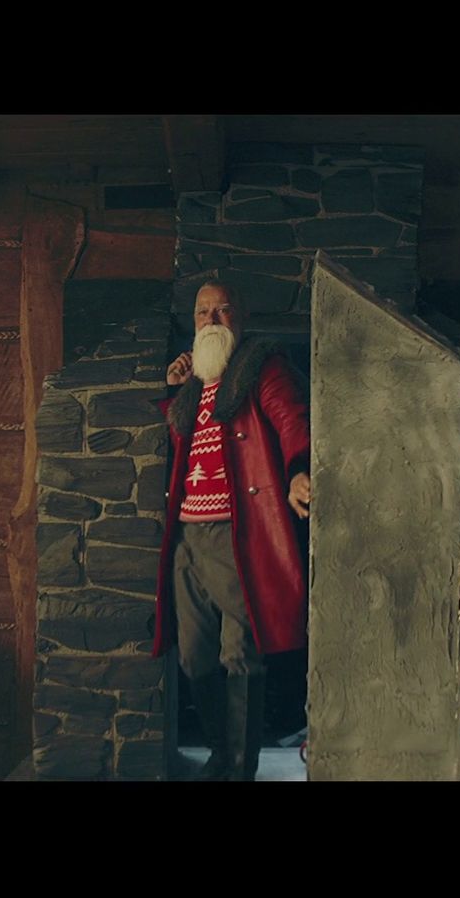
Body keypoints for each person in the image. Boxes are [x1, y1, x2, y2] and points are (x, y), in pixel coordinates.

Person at [154, 281, 311, 781]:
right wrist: (176, 389)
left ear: (240, 317)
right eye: (203, 312)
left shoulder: (261, 366)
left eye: (223, 310)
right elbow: (184, 441)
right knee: (195, 656)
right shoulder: (195, 384)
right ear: (194, 321)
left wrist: (300, 468)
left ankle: (239, 771)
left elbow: (291, 416)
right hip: (187, 537)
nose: (213, 320)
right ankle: (221, 757)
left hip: (237, 535)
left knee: (241, 654)